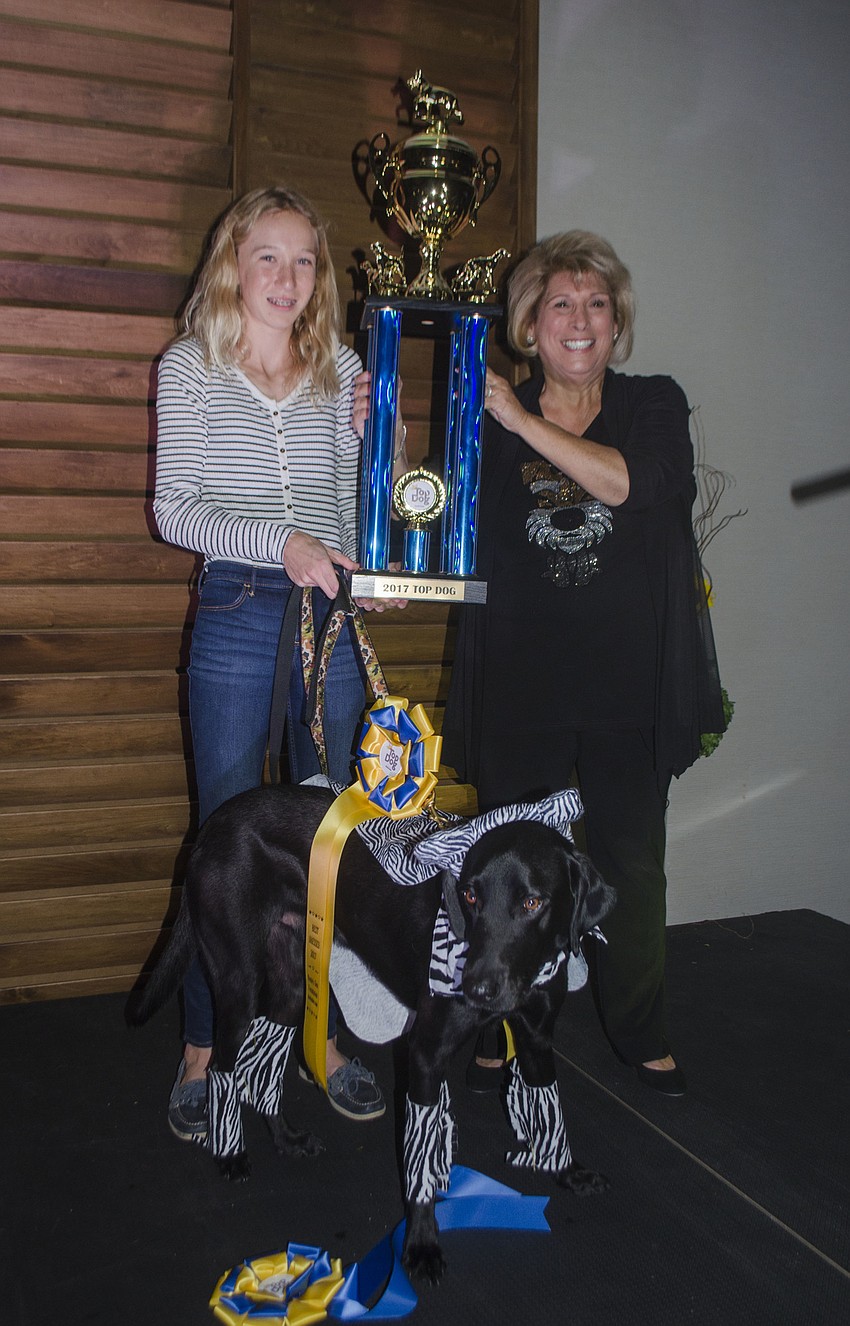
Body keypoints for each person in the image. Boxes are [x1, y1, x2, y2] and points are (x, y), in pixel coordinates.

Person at [443, 231, 725, 1097]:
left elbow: (635, 485)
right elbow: (442, 512)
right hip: (522, 681)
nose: (579, 319)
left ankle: (640, 1032)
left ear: (617, 324)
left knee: (631, 866)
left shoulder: (651, 405)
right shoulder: (486, 413)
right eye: (559, 303)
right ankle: (500, 1026)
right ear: (530, 322)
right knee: (505, 870)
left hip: (625, 684)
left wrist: (523, 422)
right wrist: (370, 429)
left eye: (596, 304)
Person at [153, 185, 408, 1140]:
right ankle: (204, 1045)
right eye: (269, 256)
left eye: (305, 260)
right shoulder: (188, 368)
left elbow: (352, 506)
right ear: (233, 260)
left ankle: (323, 1038)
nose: (287, 277)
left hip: (328, 616)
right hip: (233, 606)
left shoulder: (340, 367)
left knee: (334, 827)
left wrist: (366, 556)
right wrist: (283, 542)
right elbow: (174, 509)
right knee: (223, 834)